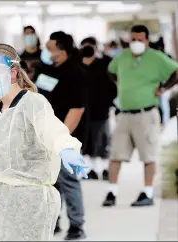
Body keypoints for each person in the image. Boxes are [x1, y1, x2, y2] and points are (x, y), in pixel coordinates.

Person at [0, 43, 88, 241]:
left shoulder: (33, 103)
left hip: (29, 208)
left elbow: (52, 130)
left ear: (12, 73)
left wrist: (67, 148)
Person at [102, 25, 178, 207]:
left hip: (146, 113)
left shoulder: (156, 58)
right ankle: (112, 192)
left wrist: (163, 88)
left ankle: (148, 193)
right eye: (133, 39)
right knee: (115, 155)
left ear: (147, 40)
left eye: (139, 39)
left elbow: (176, 72)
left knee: (148, 155)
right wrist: (118, 83)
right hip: (123, 114)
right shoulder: (122, 56)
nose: (135, 43)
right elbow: (110, 70)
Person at [33, 32, 87, 240]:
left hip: (64, 136)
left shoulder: (76, 73)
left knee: (68, 179)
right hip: (43, 134)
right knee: (49, 181)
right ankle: (53, 221)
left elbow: (77, 109)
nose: (46, 52)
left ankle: (77, 225)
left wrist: (61, 138)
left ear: (62, 51)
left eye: (50, 48)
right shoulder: (47, 70)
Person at [80, 37, 117, 180]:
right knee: (87, 141)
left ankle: (106, 168)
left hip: (101, 109)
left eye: (91, 47)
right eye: (85, 47)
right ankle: (91, 169)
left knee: (103, 139)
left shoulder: (106, 63)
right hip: (83, 110)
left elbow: (113, 84)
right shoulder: (78, 64)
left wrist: (111, 102)